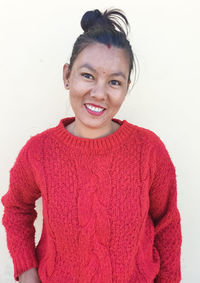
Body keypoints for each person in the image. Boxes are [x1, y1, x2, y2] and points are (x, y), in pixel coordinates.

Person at [1, 8, 182, 283]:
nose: (99, 93)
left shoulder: (149, 151)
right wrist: (27, 273)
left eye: (114, 82)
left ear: (126, 87)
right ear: (67, 76)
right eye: (87, 75)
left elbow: (168, 226)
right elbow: (16, 208)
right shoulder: (39, 152)